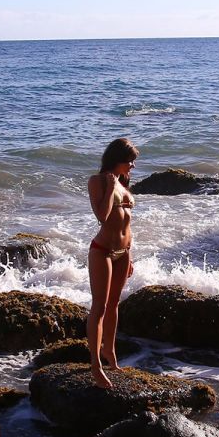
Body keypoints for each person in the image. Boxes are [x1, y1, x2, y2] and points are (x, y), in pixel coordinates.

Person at [86, 138, 139, 388]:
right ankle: (95, 365)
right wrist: (110, 187)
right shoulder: (98, 181)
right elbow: (102, 216)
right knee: (99, 307)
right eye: (130, 161)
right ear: (117, 158)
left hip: (123, 252)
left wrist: (130, 253)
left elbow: (127, 223)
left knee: (114, 305)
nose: (132, 166)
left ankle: (110, 352)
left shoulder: (124, 182)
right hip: (103, 251)